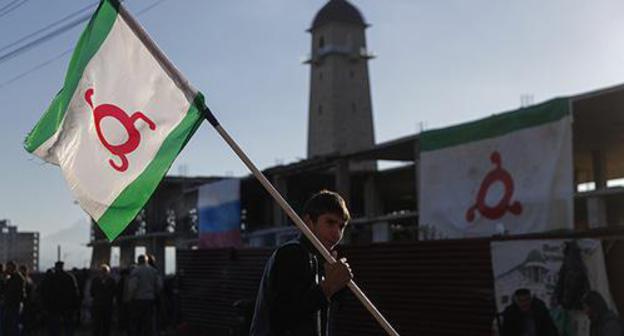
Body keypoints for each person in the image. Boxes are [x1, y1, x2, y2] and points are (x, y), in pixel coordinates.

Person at [250, 190, 353, 336]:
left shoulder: (320, 259)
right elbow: (282, 316)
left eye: (341, 226)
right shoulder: (293, 253)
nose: (337, 234)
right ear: (309, 222)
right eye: (330, 222)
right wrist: (328, 287)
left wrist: (339, 286)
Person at [41, 261, 80, 336]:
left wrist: (45, 305)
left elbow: (44, 292)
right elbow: (75, 293)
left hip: (53, 307)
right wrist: (75, 306)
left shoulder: (50, 278)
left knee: (54, 328)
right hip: (67, 306)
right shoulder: (69, 277)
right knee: (68, 327)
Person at [128, 255, 162, 336]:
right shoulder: (154, 271)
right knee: (149, 323)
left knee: (137, 323)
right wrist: (154, 293)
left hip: (138, 300)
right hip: (150, 299)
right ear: (146, 261)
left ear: (138, 261)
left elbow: (133, 287)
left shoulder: (135, 271)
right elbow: (159, 285)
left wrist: (131, 298)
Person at [90, 264, 116, 336]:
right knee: (105, 325)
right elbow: (114, 292)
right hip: (106, 305)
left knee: (98, 324)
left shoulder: (95, 280)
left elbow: (92, 292)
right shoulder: (112, 281)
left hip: (98, 304)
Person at [2, 261, 24, 336]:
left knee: (14, 324)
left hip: (14, 304)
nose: (8, 269)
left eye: (9, 267)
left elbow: (14, 291)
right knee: (8, 324)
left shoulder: (17, 277)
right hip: (8, 304)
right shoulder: (10, 277)